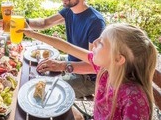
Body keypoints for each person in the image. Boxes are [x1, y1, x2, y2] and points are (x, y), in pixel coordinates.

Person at [22, 23, 157, 119]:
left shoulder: (134, 98)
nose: (95, 41)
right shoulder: (106, 71)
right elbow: (68, 47)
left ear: (118, 59)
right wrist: (32, 34)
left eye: (102, 42)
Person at [25, 0, 106, 98]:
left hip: (89, 78)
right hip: (70, 62)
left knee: (49, 93)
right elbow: (45, 23)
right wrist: (23, 22)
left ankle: (74, 116)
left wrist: (61, 65)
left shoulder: (95, 21)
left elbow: (93, 65)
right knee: (36, 68)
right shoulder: (69, 10)